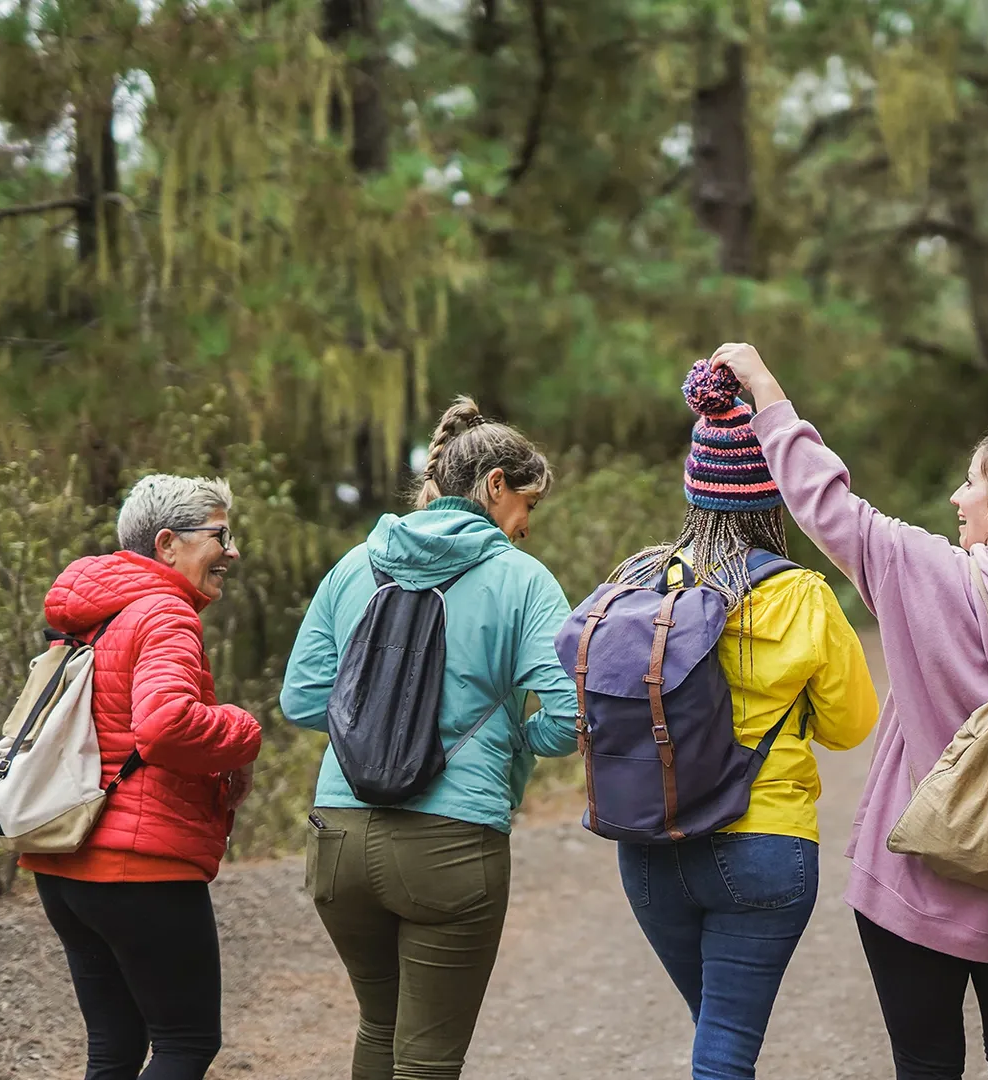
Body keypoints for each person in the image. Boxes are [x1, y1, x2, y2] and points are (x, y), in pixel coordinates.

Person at [709, 343, 988, 1080]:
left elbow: (822, 499)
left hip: (912, 888)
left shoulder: (923, 572)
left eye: (971, 482)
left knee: (925, 1065)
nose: (956, 498)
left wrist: (764, 385)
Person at [280, 397, 581, 1080]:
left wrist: (371, 724)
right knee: (428, 1058)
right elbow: (571, 714)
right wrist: (515, 740)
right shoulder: (521, 580)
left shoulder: (354, 565)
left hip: (339, 839)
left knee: (378, 1027)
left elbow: (300, 698)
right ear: (495, 486)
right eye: (527, 505)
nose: (526, 527)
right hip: (452, 843)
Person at [604, 362, 879, 1080]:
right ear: (774, 498)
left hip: (650, 839)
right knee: (726, 1045)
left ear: (695, 488)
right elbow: (852, 725)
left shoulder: (639, 580)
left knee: (719, 1036)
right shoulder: (802, 595)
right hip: (764, 846)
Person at [30, 474, 265, 1080]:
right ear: (167, 544)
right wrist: (242, 730)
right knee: (186, 1042)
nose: (232, 551)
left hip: (64, 860)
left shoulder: (87, 615)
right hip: (140, 865)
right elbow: (163, 728)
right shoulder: (164, 613)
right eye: (220, 535)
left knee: (113, 1048)